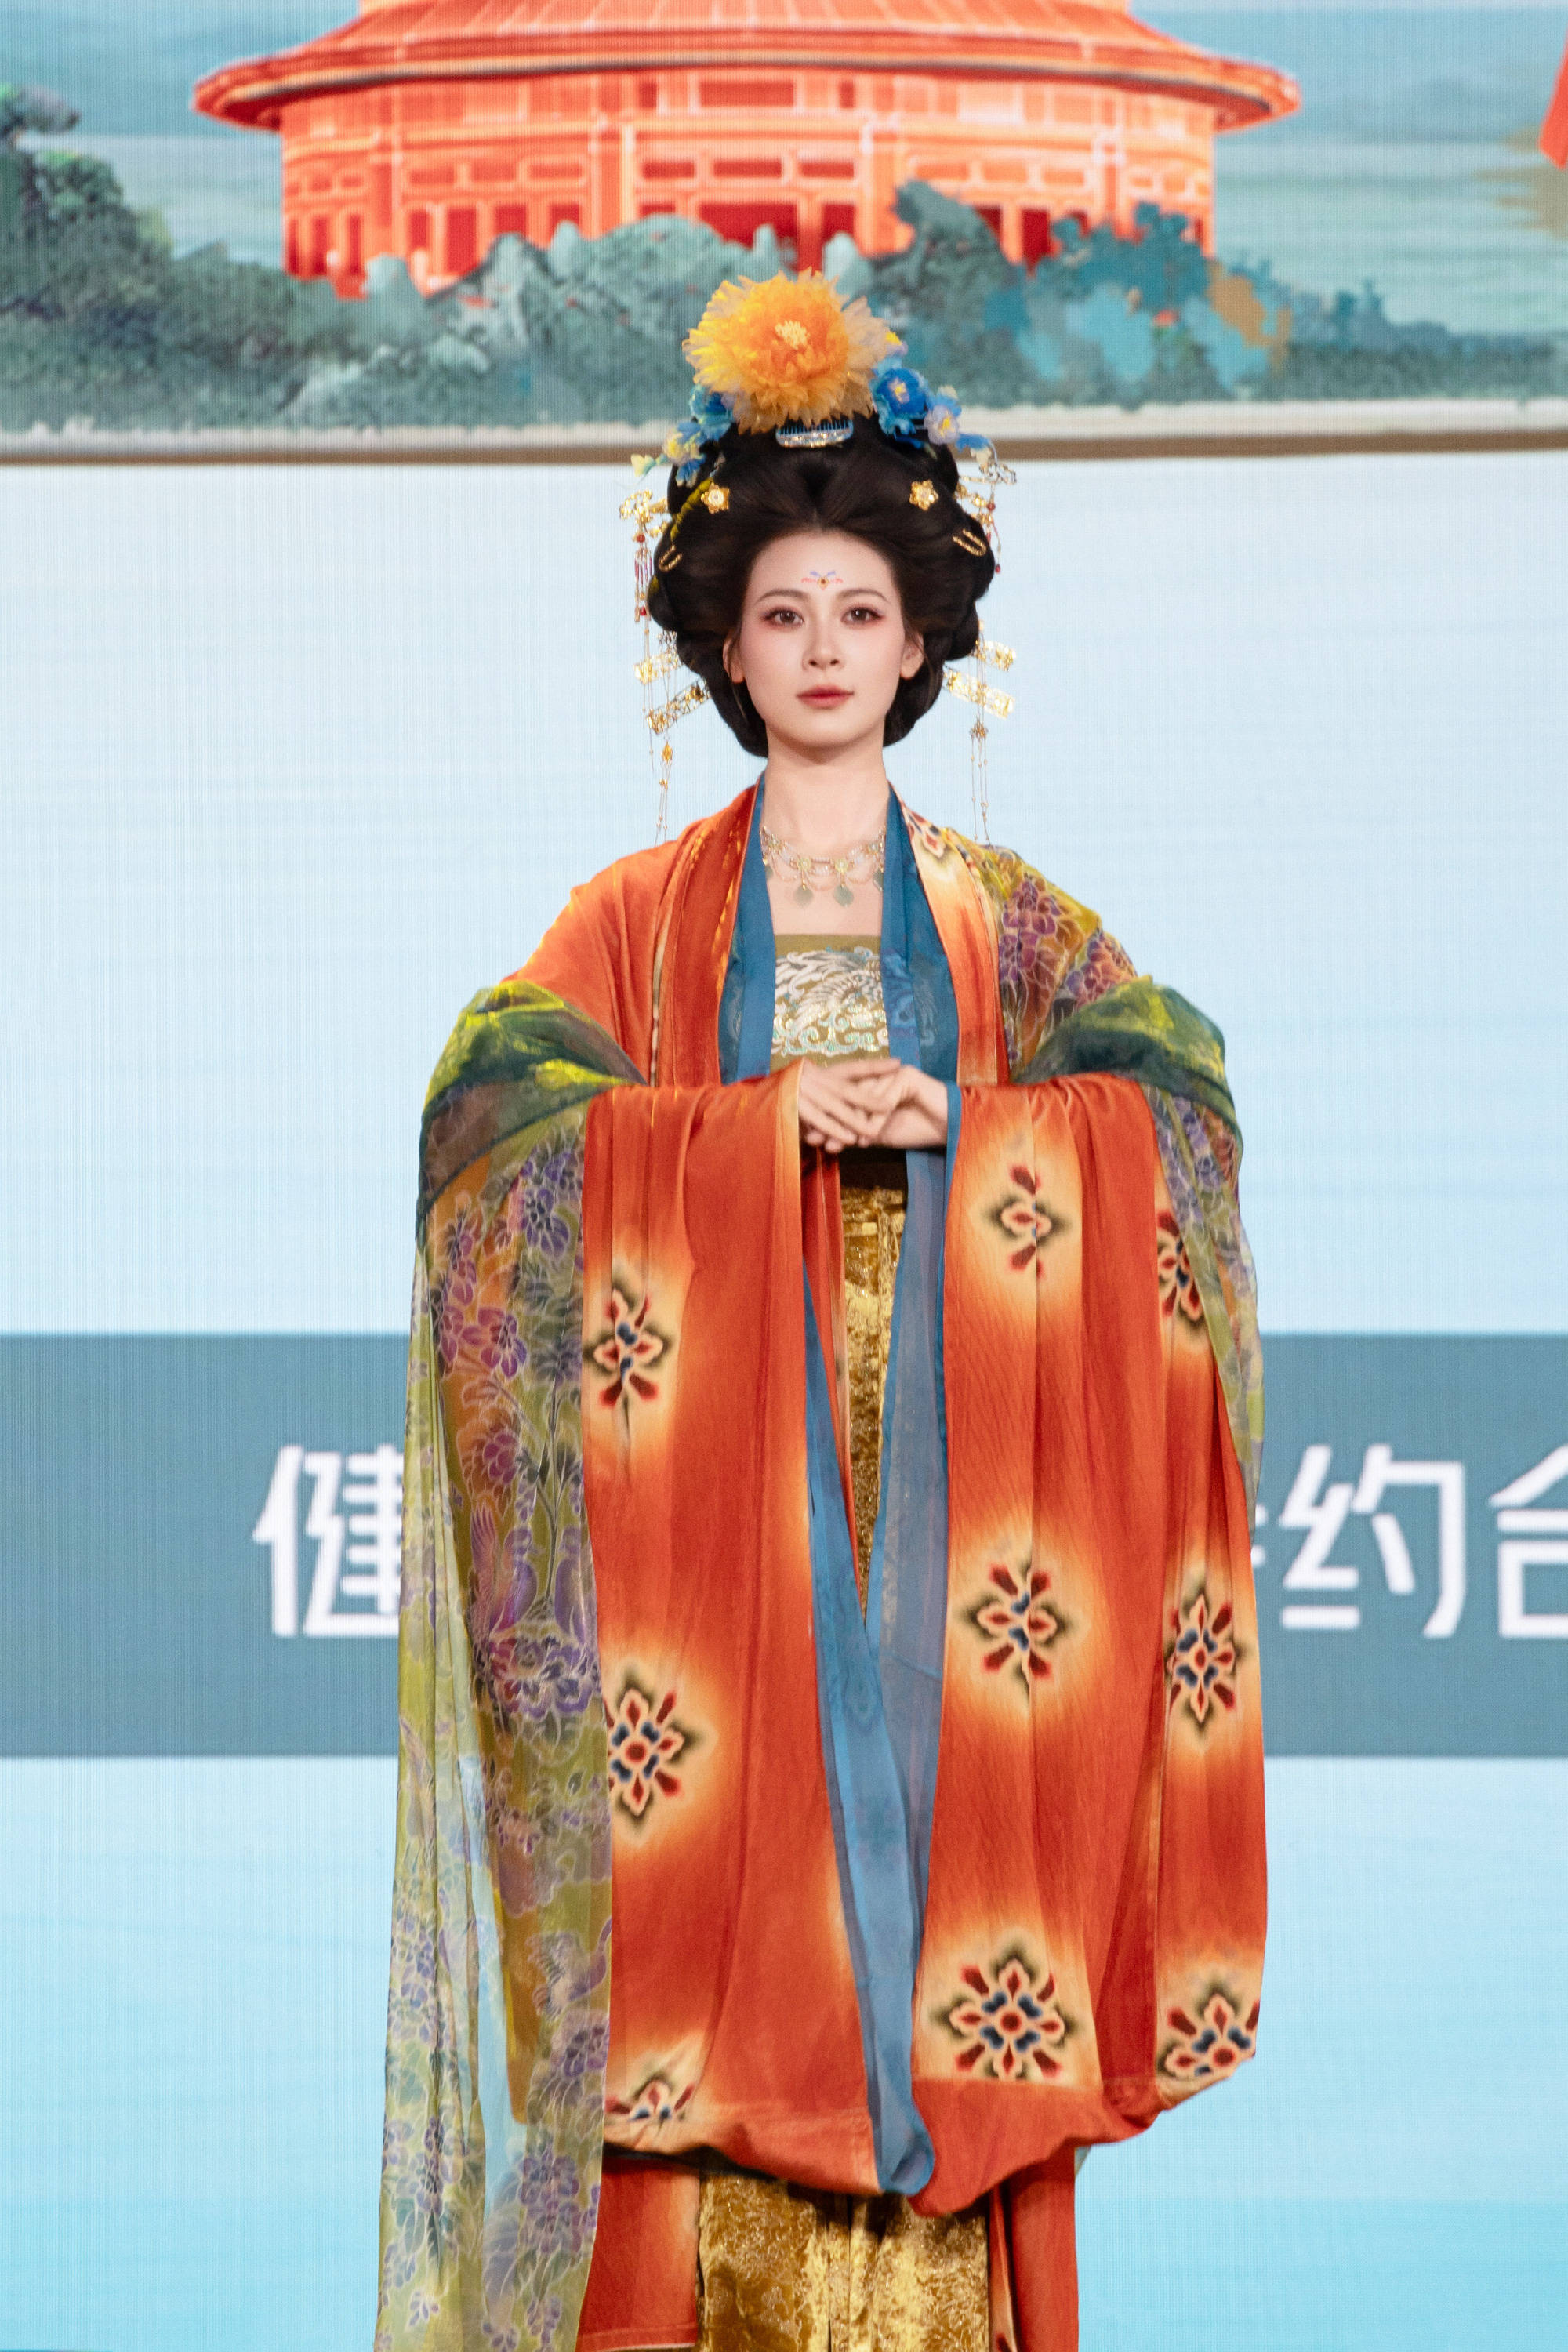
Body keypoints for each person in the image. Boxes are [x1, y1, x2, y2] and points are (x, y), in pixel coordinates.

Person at [376, 272, 1266, 2352]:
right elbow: (493, 1132)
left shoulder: (1017, 932)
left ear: (926, 640)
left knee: (954, 1904)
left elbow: (1179, 1115)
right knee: (698, 1909)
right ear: (723, 647)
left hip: (964, 1535)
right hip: (713, 1539)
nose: (825, 651)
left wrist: (981, 1130)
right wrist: (744, 1134)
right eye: (783, 614)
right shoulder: (630, 925)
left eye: (862, 611)